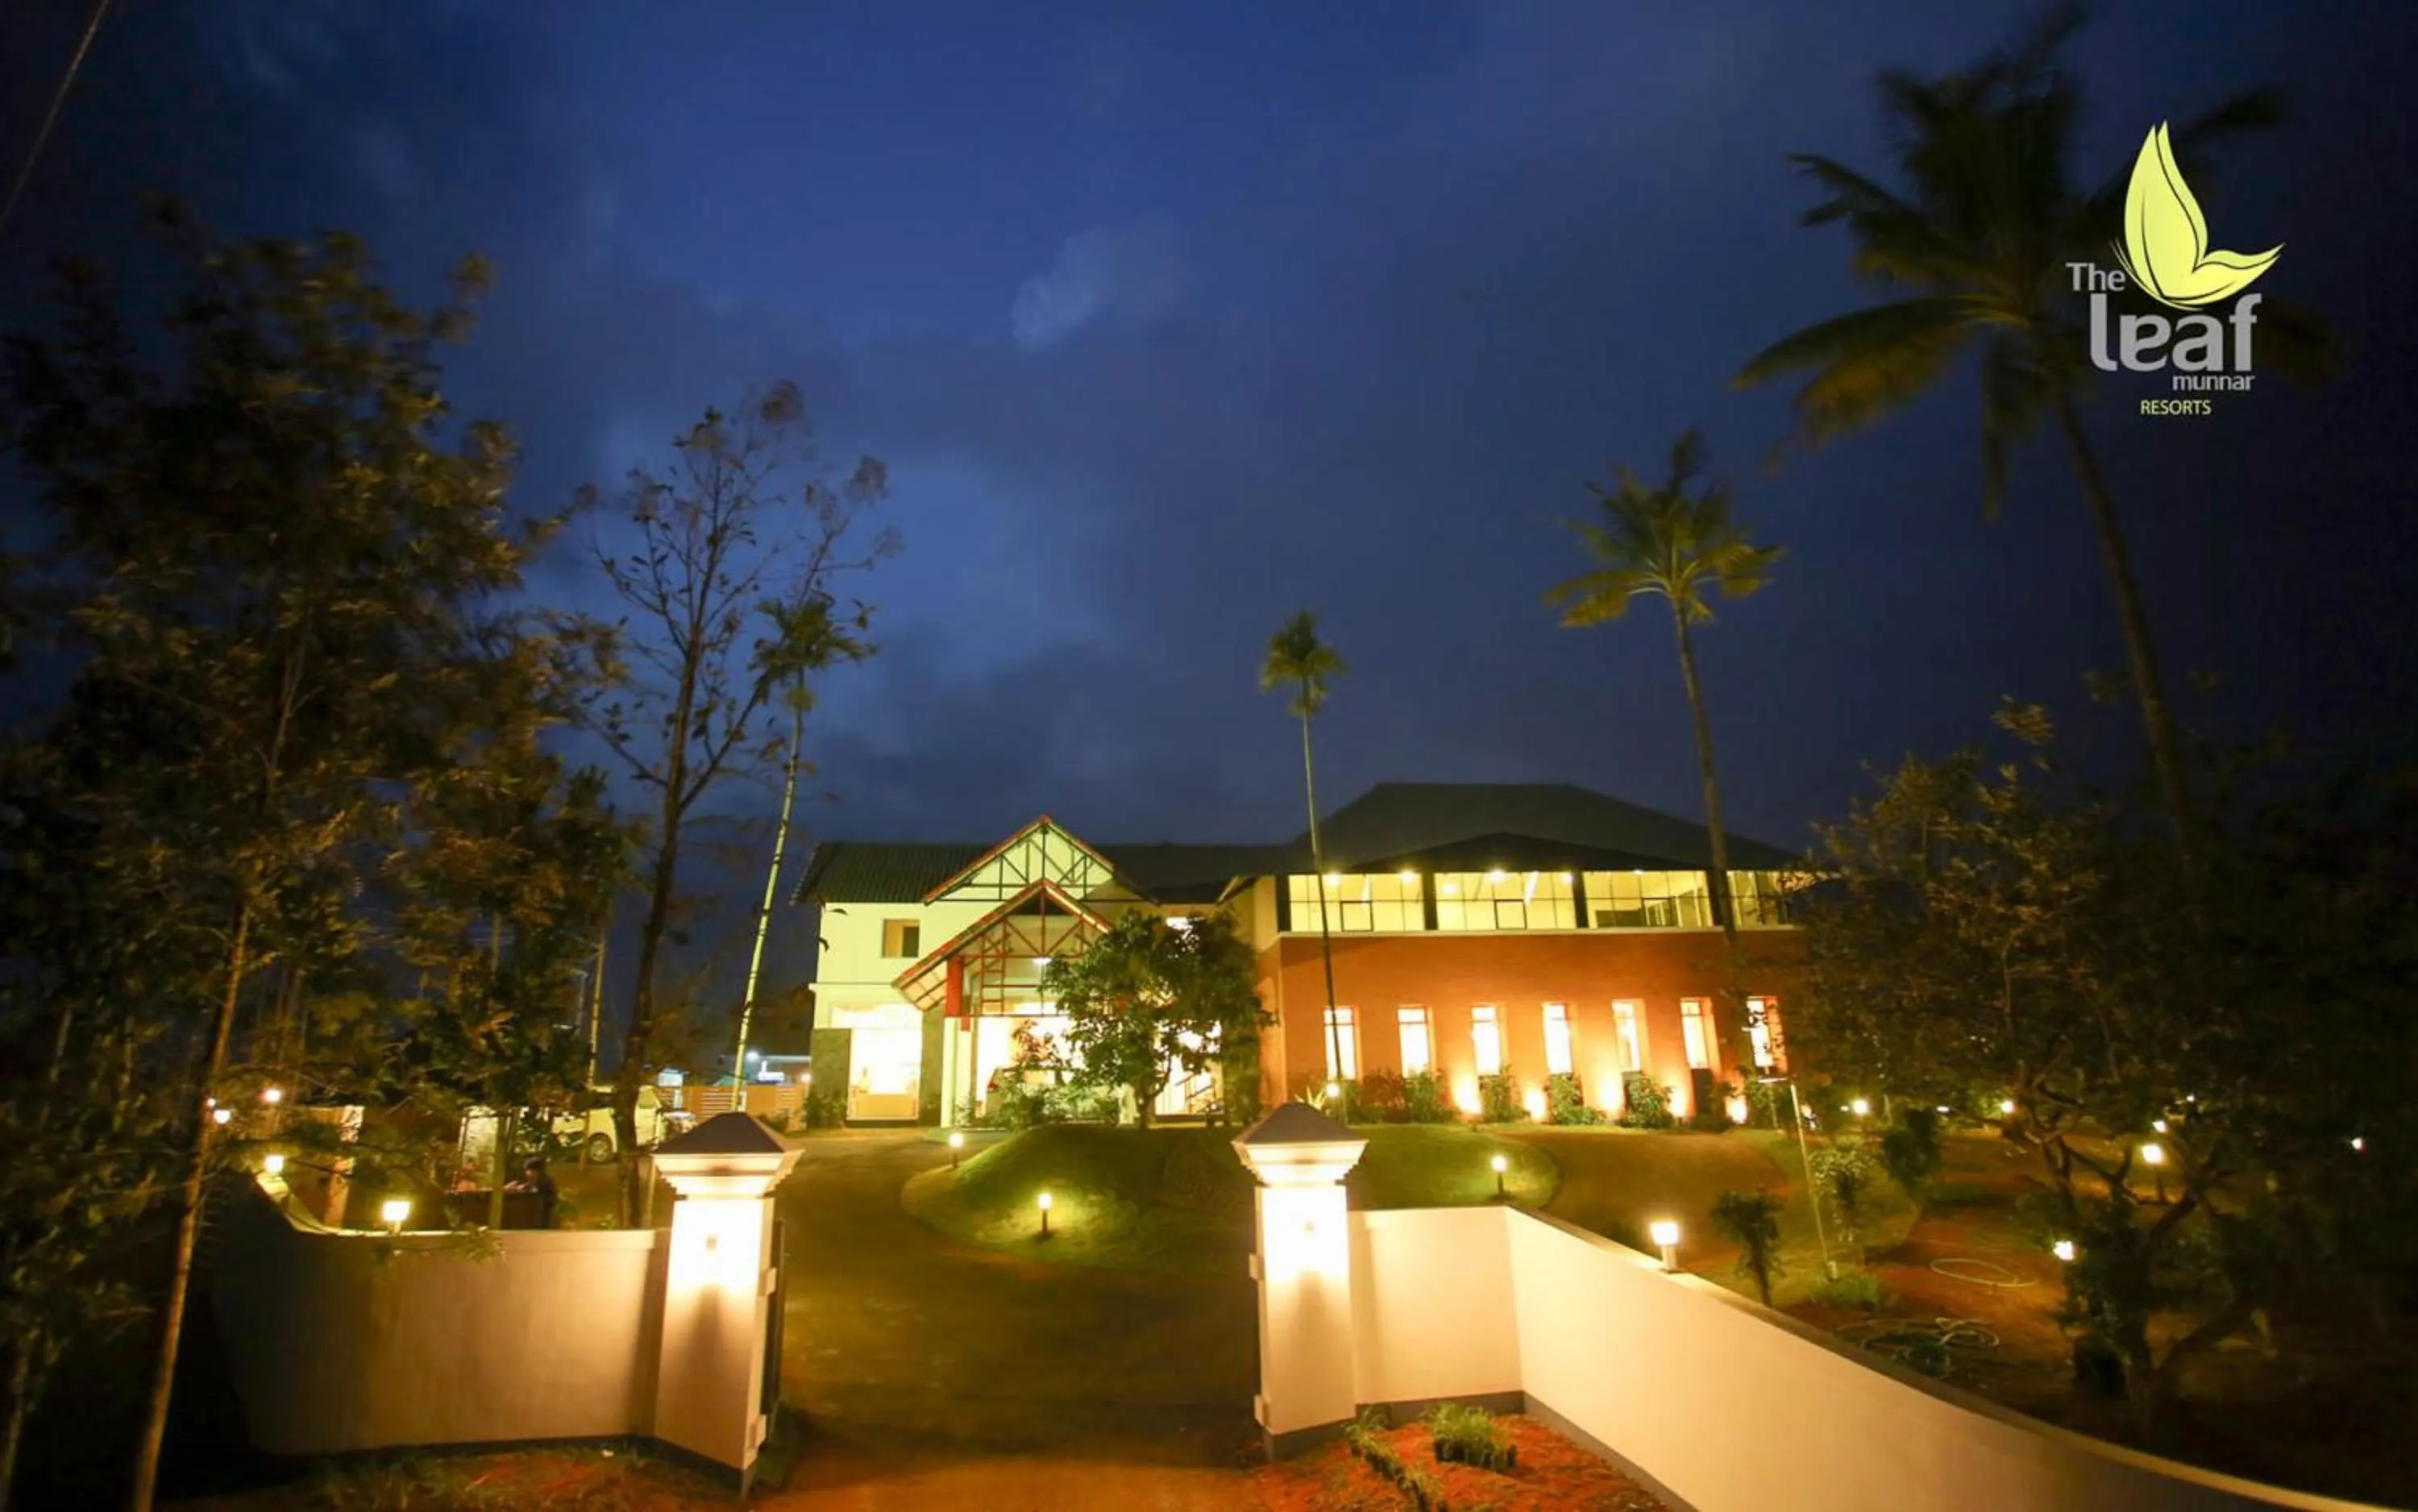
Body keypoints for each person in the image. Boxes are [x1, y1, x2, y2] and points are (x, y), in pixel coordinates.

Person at [505, 1155, 559, 1228]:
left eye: (531, 1171)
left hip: (542, 1219)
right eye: (527, 1171)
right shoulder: (525, 1181)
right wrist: (517, 1188)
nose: (528, 1174)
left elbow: (542, 1196)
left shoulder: (546, 1183)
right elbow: (507, 1188)